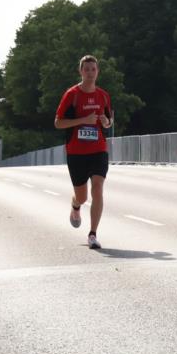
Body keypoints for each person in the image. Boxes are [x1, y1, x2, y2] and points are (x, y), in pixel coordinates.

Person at [54, 54, 113, 249]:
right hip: (76, 152)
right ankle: (75, 205)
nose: (90, 72)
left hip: (98, 149)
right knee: (82, 196)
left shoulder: (103, 95)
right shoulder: (72, 95)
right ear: (80, 71)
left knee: (98, 188)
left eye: (93, 69)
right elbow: (58, 123)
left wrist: (106, 122)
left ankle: (93, 234)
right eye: (86, 69)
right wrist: (83, 120)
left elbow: (108, 120)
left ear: (98, 72)